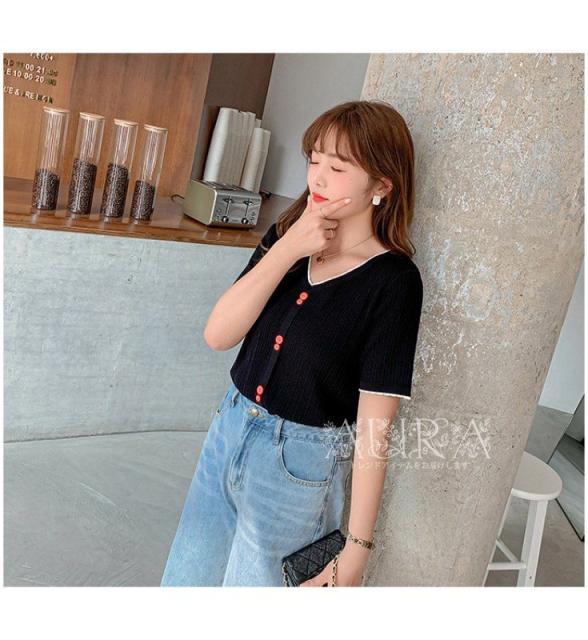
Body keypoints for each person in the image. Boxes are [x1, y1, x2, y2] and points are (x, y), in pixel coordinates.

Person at [160, 100, 423, 587]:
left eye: (338, 168)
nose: (318, 177)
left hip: (298, 467)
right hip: (228, 430)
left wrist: (356, 550)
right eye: (314, 160)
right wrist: (286, 249)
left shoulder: (393, 282)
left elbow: (375, 427)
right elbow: (218, 335)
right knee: (186, 580)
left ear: (382, 186)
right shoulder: (287, 235)